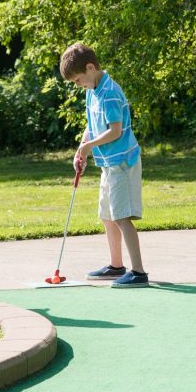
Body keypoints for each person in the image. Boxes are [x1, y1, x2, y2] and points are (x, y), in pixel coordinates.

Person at [60, 42, 148, 288]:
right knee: (107, 216)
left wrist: (89, 148)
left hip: (123, 162)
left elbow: (115, 132)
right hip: (108, 163)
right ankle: (116, 265)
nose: (78, 86)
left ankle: (138, 271)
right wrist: (82, 147)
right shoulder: (93, 90)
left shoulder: (109, 93)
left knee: (122, 216)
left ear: (90, 68)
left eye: (78, 80)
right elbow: (91, 124)